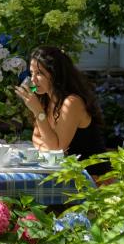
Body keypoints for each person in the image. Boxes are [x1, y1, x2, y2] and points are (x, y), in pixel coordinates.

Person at [15, 45, 109, 174]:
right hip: (65, 174)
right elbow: (36, 137)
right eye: (31, 73)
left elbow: (56, 149)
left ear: (55, 74)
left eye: (39, 73)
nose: (33, 79)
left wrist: (38, 112)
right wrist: (48, 147)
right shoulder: (45, 100)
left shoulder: (72, 103)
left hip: (91, 179)